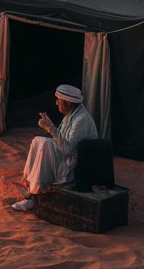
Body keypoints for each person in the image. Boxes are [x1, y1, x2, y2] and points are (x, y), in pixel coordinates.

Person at [11, 84, 98, 212]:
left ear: (67, 103)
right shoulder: (70, 115)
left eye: (59, 101)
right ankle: (31, 189)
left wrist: (51, 128)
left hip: (77, 165)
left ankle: (35, 198)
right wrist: (50, 126)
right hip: (67, 157)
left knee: (45, 144)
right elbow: (60, 139)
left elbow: (69, 150)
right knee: (37, 141)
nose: (57, 104)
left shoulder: (82, 119)